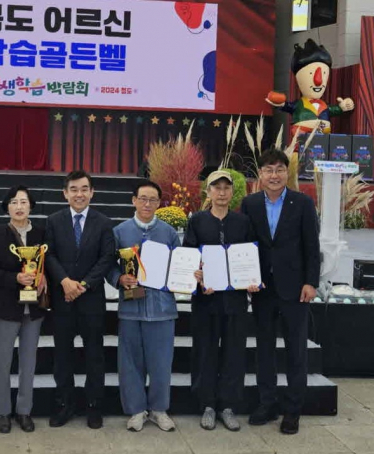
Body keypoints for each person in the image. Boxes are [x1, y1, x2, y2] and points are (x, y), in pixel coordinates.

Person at [241, 148, 320, 435]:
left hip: (295, 289)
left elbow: (311, 246)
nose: (274, 175)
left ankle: (292, 411)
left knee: (296, 351)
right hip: (262, 288)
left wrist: (311, 282)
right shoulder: (249, 203)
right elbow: (245, 245)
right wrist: (246, 277)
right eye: (268, 170)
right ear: (260, 174)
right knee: (264, 350)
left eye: (279, 170)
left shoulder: (303, 203)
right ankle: (267, 404)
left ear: (287, 173)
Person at [183, 170, 260, 432]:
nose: (222, 192)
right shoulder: (197, 221)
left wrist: (253, 280)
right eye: (217, 187)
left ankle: (228, 406)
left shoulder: (243, 222)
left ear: (232, 192)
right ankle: (206, 405)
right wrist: (197, 278)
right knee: (205, 352)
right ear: (208, 192)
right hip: (206, 301)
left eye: (227, 188)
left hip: (235, 301)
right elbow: (190, 257)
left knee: (234, 353)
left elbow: (251, 256)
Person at [45, 170, 115, 429]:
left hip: (91, 301)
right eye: (74, 189)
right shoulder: (54, 221)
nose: (79, 194)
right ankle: (64, 404)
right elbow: (49, 255)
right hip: (62, 299)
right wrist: (65, 281)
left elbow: (107, 258)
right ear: (65, 193)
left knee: (94, 355)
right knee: (62, 356)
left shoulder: (104, 222)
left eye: (84, 189)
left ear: (92, 192)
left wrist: (83, 285)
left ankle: (94, 406)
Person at [107, 180, 179, 432]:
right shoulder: (120, 232)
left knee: (161, 363)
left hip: (162, 310)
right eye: (143, 199)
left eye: (153, 200)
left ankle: (159, 409)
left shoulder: (169, 233)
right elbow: (108, 264)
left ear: (159, 203)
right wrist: (119, 278)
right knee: (130, 363)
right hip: (131, 308)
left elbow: (179, 265)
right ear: (134, 201)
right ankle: (136, 410)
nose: (147, 204)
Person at [0, 185, 47, 434]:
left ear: (30, 205)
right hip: (6, 307)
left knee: (28, 363)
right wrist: (15, 278)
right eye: (13, 202)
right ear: (7, 207)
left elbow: (48, 263)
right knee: (2, 362)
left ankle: (24, 411)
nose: (19, 207)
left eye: (23, 201)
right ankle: (2, 412)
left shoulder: (41, 233)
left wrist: (43, 277)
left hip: (34, 309)